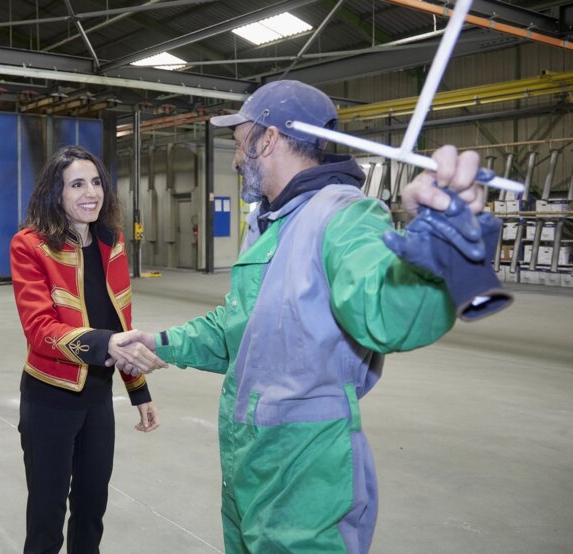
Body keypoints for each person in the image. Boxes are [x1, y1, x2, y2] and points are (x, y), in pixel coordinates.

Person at [110, 80, 512, 553]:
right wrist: (161, 342)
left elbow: (384, 311)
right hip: (250, 464)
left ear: (269, 139)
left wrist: (437, 253)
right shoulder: (269, 222)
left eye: (241, 144)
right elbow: (242, 330)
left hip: (307, 474)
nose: (237, 160)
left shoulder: (344, 215)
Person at [10, 145, 166, 554]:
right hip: (49, 401)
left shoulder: (111, 243)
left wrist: (138, 391)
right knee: (45, 519)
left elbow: (121, 325)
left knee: (91, 508)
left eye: (96, 182)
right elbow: (40, 329)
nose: (90, 192)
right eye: (77, 184)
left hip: (98, 401)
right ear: (55, 193)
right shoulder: (31, 246)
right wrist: (106, 344)